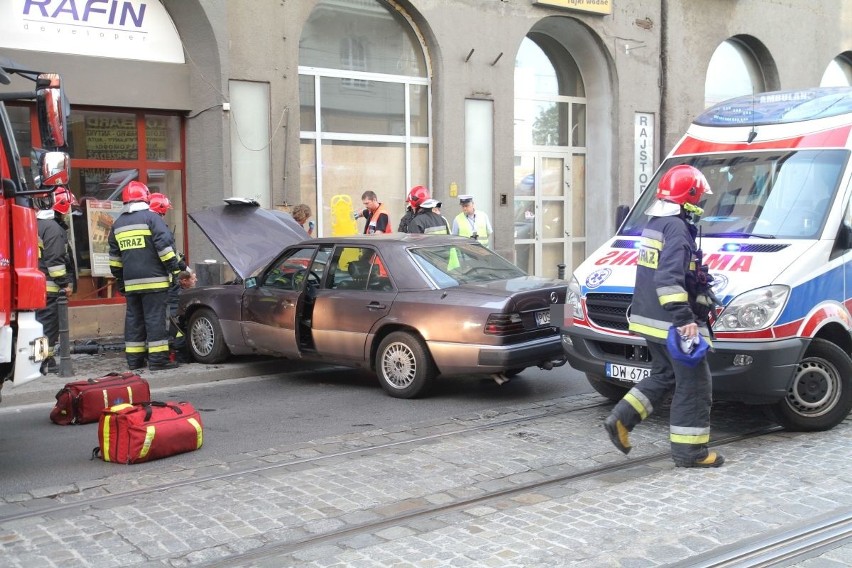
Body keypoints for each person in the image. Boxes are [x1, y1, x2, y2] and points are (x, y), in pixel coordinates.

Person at [603, 164, 724, 468]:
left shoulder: (657, 223)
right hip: (672, 322)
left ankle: (621, 419)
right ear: (688, 197)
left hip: (649, 319)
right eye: (697, 199)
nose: (699, 205)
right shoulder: (678, 228)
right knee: (695, 385)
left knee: (664, 375)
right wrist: (685, 321)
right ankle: (691, 453)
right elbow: (668, 280)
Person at [108, 181, 183, 371]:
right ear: (145, 197)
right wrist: (175, 270)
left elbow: (115, 260)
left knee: (134, 321)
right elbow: (165, 248)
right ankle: (158, 360)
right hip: (155, 282)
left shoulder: (117, 224)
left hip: (131, 284)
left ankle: (135, 361)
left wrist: (120, 281)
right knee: (155, 319)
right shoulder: (152, 219)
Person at [34, 187, 77, 373]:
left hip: (38, 286)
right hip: (50, 288)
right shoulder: (53, 228)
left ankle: (43, 359)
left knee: (41, 326)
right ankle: (41, 362)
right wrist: (64, 283)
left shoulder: (37, 224)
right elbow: (56, 261)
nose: (68, 212)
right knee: (47, 328)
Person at [150, 193, 190, 363]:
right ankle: (179, 352)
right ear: (161, 210)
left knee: (154, 318)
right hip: (167, 283)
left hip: (157, 282)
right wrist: (182, 269)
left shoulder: (146, 226)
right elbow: (169, 256)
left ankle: (162, 351)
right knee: (174, 318)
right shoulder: (159, 227)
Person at [171, 269, 197, 362]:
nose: (196, 280)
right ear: (184, 281)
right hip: (176, 330)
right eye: (193, 279)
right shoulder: (179, 294)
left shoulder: (179, 291)